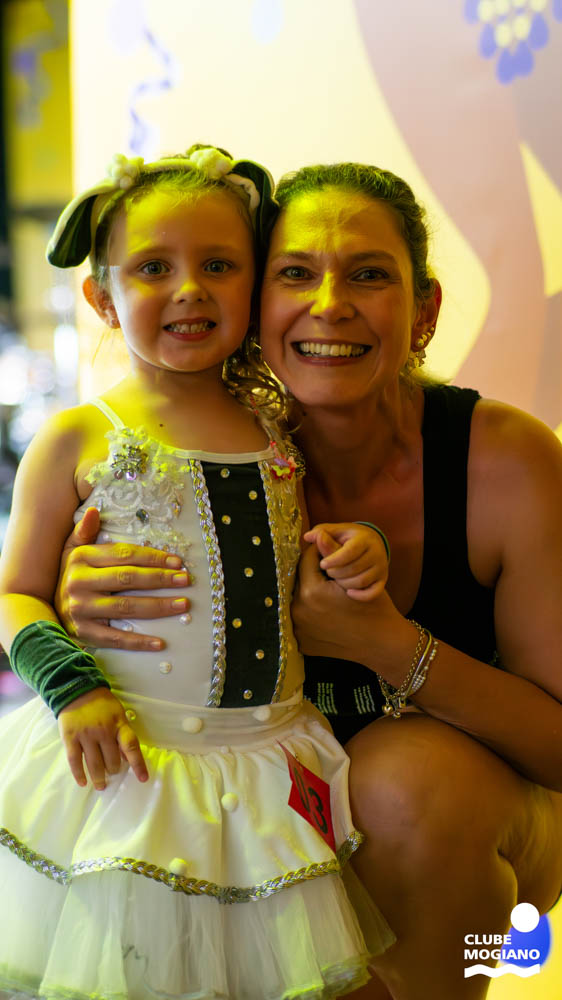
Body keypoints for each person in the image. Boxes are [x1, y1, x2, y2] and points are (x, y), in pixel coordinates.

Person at [54, 159, 562, 1000]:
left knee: (401, 784)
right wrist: (81, 608)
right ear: (255, 304)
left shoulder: (506, 460)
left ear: (424, 310)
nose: (330, 304)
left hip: (483, 846)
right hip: (266, 829)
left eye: (369, 275)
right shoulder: (188, 462)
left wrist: (388, 646)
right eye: (295, 273)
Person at [0, 148, 397, 1000]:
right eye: (154, 268)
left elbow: (295, 549)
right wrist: (71, 687)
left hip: (265, 759)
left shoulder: (279, 426)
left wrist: (360, 547)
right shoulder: (76, 436)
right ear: (101, 297)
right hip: (129, 765)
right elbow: (15, 593)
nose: (190, 289)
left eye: (219, 265)